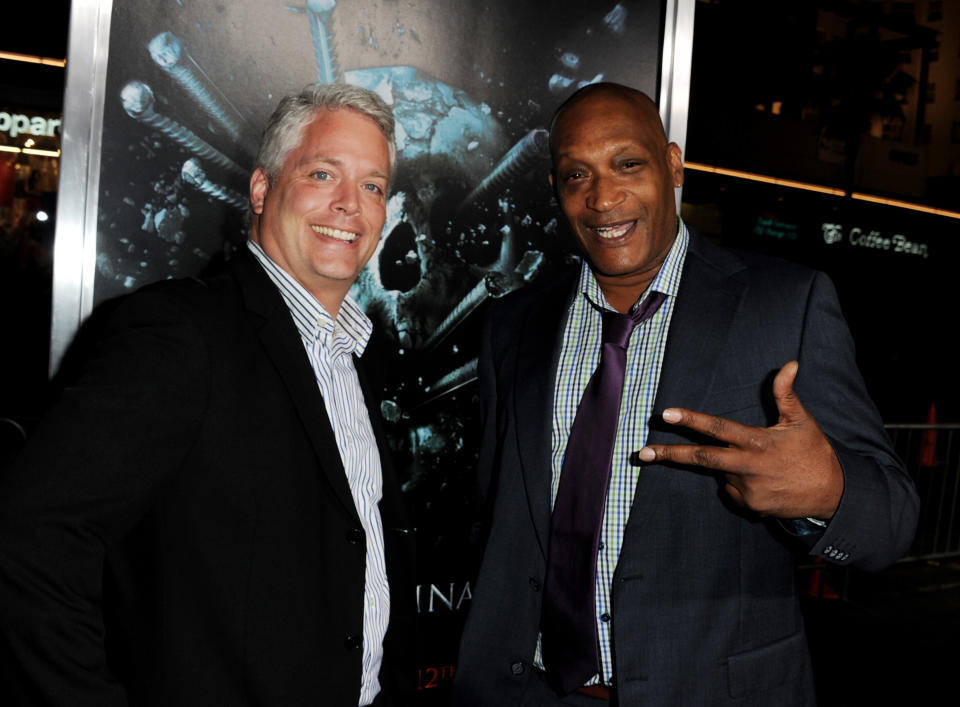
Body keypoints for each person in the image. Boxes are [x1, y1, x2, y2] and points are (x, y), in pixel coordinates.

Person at [453, 82, 919, 706]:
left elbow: (892, 524)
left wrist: (826, 492)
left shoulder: (785, 305)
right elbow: (495, 514)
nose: (603, 197)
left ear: (673, 164)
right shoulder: (513, 323)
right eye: (575, 175)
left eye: (628, 164)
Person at [0, 83, 413, 706]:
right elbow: (29, 537)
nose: (349, 205)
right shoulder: (181, 334)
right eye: (323, 173)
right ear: (261, 188)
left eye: (373, 186)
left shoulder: (359, 353)